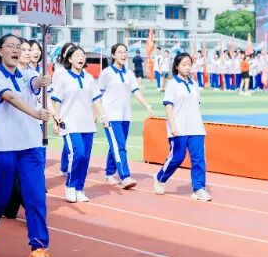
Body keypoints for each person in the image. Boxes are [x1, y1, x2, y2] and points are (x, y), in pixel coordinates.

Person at [0, 34, 55, 257]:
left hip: (31, 145)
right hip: (3, 145)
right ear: (0, 51)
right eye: (10, 46)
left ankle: (38, 249)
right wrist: (35, 113)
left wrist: (42, 80)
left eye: (19, 47)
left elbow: (34, 83)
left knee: (36, 198)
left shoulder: (28, 74)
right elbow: (9, 97)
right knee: (1, 197)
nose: (15, 50)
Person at [51, 44, 108, 203]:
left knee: (85, 158)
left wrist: (103, 116)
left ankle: (79, 189)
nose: (81, 58)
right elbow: (56, 100)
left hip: (87, 123)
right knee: (78, 153)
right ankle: (70, 186)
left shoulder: (89, 78)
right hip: (69, 123)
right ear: (69, 59)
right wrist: (55, 120)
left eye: (82, 55)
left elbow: (96, 99)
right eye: (76, 55)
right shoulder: (63, 77)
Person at [154, 52, 211, 201]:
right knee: (177, 157)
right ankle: (160, 178)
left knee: (199, 159)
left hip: (196, 127)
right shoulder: (172, 84)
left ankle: (198, 188)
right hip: (178, 128)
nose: (187, 67)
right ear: (177, 66)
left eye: (189, 64)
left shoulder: (194, 84)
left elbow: (196, 105)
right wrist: (172, 126)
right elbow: (168, 106)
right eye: (184, 64)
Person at [98, 43, 152, 189]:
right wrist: (100, 115)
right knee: (120, 146)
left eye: (125, 52)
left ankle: (109, 174)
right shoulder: (107, 73)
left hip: (125, 116)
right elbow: (98, 95)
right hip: (111, 116)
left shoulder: (129, 74)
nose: (123, 55)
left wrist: (147, 105)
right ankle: (125, 176)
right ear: (113, 55)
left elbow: (136, 91)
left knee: (116, 146)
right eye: (120, 52)